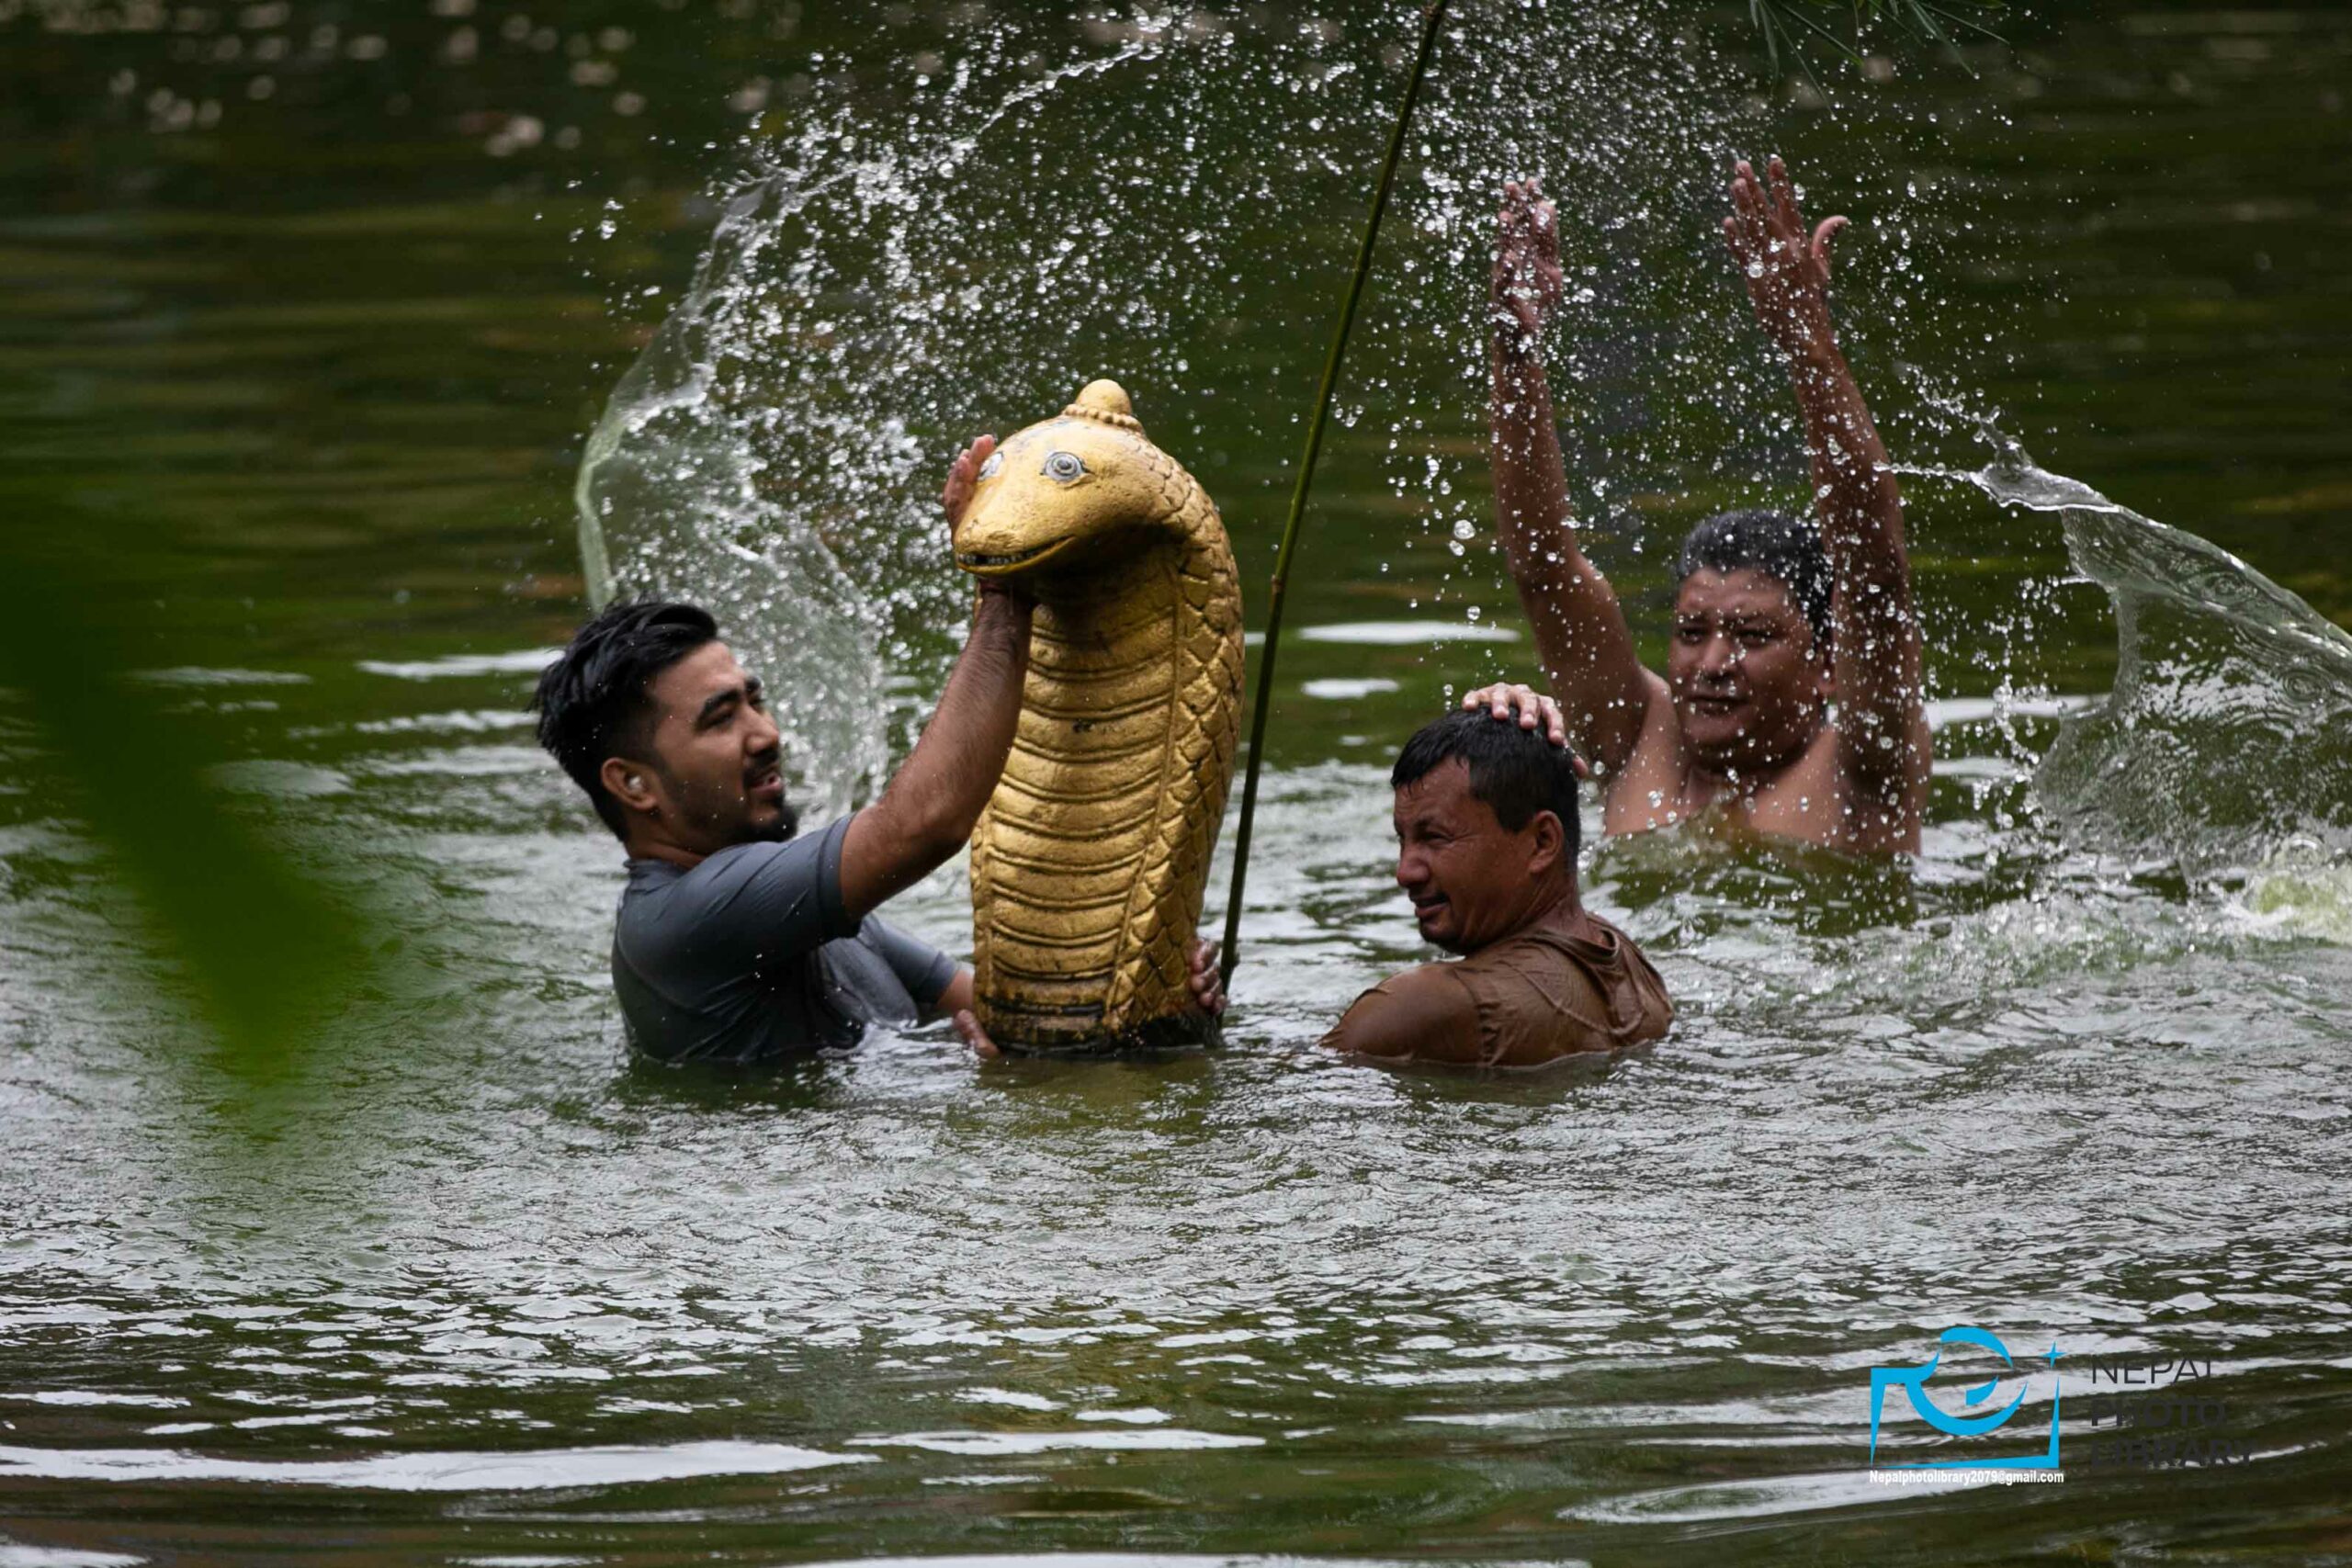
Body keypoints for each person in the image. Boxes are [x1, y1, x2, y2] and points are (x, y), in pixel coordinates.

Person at [1477, 156, 1929, 853]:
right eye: (1692, 631)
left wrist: (1807, 342)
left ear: (1828, 663)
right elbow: (1542, 567)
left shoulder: (1865, 764)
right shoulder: (1636, 736)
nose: (1713, 662)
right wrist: (1515, 345)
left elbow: (1874, 569)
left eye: (1752, 636)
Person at [531, 435, 1032, 1063]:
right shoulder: (688, 918)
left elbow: (1006, 1018)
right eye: (719, 719)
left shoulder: (799, 911)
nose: (766, 733)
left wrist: (1162, 998)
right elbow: (924, 823)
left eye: (753, 700)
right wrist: (1005, 585)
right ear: (634, 784)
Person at [950, 697, 1671, 1068]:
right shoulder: (1624, 960)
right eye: (1402, 839)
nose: (1405, 871)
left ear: (1542, 840)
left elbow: (1241, 1113)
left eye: (1434, 839)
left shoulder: (1425, 1005)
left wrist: (1045, 1057)